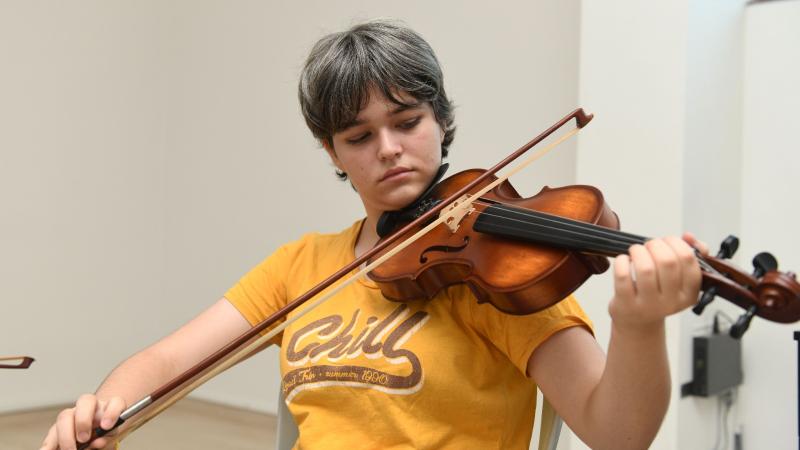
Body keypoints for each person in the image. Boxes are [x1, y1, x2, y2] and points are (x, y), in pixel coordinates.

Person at [41, 20, 708, 450]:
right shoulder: (303, 264)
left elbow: (617, 432)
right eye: (359, 136)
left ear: (440, 121)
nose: (388, 149)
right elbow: (164, 362)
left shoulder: (501, 271)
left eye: (407, 121)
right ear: (331, 152)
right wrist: (104, 411)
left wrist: (639, 325)